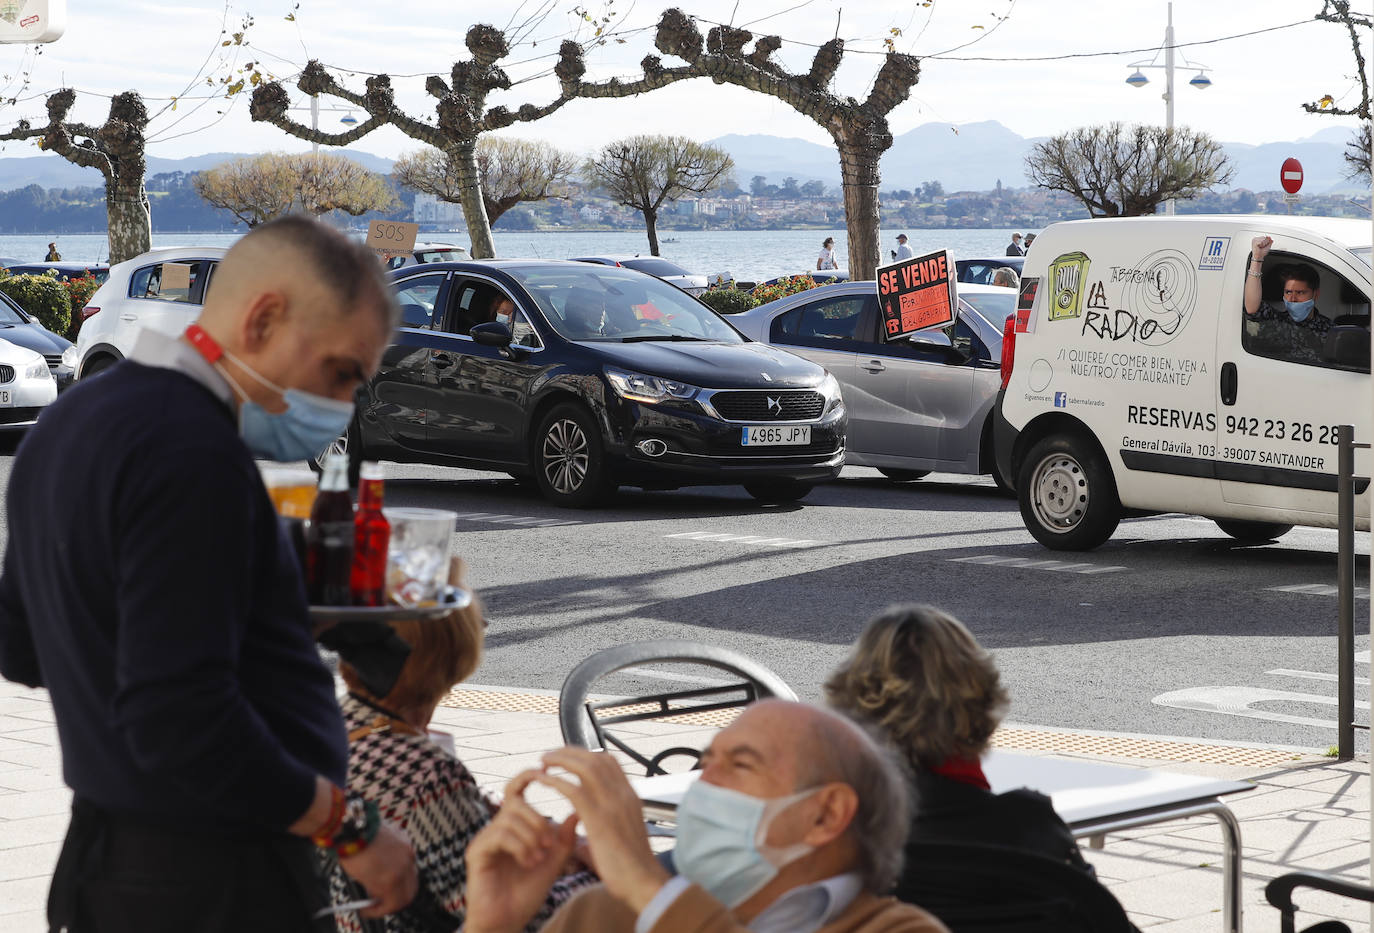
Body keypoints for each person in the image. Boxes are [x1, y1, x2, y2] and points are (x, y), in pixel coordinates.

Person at [0, 215, 419, 933]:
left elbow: (23, 641)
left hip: (114, 863)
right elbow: (180, 714)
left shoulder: (73, 420)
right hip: (215, 880)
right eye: (342, 372)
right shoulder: (192, 453)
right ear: (264, 318)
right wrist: (350, 828)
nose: (344, 405)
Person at [462, 699, 949, 933]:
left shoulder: (900, 931)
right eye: (705, 764)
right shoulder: (604, 914)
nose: (703, 787)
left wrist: (647, 885)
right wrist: (490, 923)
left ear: (826, 815)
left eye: (739, 765)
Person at [329, 564, 596, 932]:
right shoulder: (427, 772)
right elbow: (507, 913)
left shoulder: (333, 730)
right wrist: (603, 871)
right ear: (455, 657)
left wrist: (550, 835)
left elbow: (459, 813)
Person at [824, 605, 1095, 877]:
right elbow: (1102, 916)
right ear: (982, 699)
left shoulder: (828, 837)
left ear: (850, 703)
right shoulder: (1032, 831)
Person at [1244, 235, 1333, 364]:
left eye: (1300, 292)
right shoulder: (1275, 321)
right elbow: (1252, 308)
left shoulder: (1330, 330)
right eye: (1288, 292)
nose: (1292, 298)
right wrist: (1257, 258)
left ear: (1315, 294)